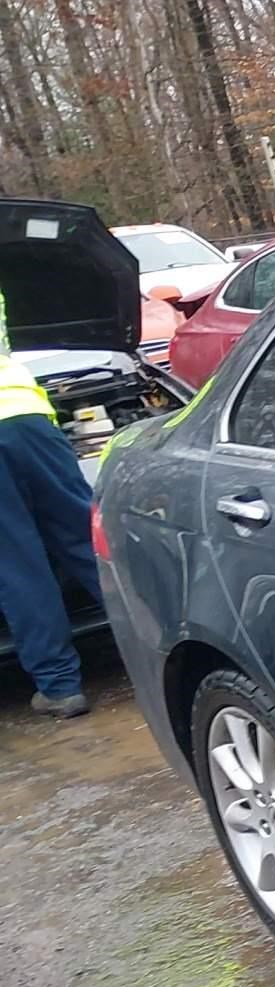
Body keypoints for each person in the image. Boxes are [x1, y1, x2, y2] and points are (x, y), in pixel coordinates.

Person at [0, 298, 100, 719]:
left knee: (19, 566)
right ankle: (150, 649)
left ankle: (60, 687)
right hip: (28, 418)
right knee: (87, 541)